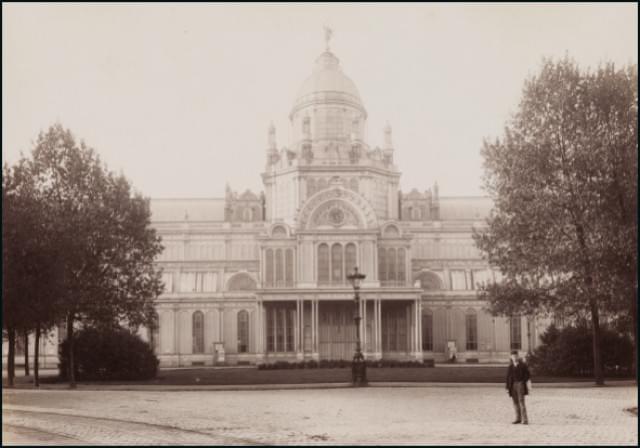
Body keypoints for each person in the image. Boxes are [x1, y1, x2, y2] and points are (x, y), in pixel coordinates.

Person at [506, 349, 531, 424]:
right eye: (513, 356)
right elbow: (508, 377)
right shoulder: (510, 366)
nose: (514, 357)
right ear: (511, 357)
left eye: (516, 356)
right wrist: (507, 387)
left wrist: (523, 381)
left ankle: (525, 419)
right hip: (513, 385)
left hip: (520, 384)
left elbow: (528, 375)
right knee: (515, 402)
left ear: (518, 356)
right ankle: (518, 418)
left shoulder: (523, 365)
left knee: (521, 402)